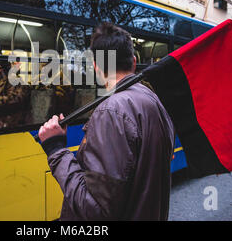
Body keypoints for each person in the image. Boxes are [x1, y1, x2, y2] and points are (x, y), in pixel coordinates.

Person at [38, 22, 175, 220]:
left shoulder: (112, 111)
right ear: (134, 62)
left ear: (96, 66)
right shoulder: (152, 99)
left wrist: (56, 150)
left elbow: (95, 211)